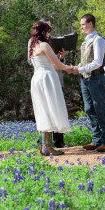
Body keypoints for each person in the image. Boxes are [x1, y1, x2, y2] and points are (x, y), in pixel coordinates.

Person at [69, 14, 105, 152]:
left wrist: (80, 69)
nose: (81, 27)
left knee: (99, 108)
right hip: (85, 78)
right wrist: (76, 67)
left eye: (83, 24)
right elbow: (86, 61)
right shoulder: (85, 41)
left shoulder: (98, 40)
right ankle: (97, 140)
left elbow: (98, 62)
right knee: (89, 109)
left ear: (91, 24)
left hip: (95, 78)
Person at [29, 21, 72, 156]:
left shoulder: (33, 46)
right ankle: (48, 147)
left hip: (37, 79)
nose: (49, 34)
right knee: (49, 109)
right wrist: (70, 68)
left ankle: (43, 146)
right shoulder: (44, 45)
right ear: (43, 32)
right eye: (47, 31)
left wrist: (60, 61)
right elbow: (57, 64)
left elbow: (48, 63)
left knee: (42, 111)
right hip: (47, 79)